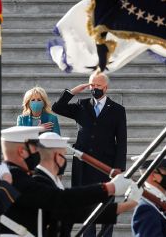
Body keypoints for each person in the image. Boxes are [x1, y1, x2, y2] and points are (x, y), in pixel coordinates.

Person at [0, 126, 137, 236]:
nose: (37, 153)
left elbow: (74, 211)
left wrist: (128, 204)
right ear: (21, 151)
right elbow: (61, 199)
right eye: (34, 148)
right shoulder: (15, 176)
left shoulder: (18, 175)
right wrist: (109, 188)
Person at [52, 71, 127, 237]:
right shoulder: (82, 105)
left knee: (107, 205)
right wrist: (73, 92)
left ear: (105, 87)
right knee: (85, 205)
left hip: (105, 165)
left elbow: (121, 141)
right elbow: (57, 108)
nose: (94, 88)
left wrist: (119, 167)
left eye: (98, 85)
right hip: (84, 164)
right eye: (92, 85)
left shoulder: (117, 110)